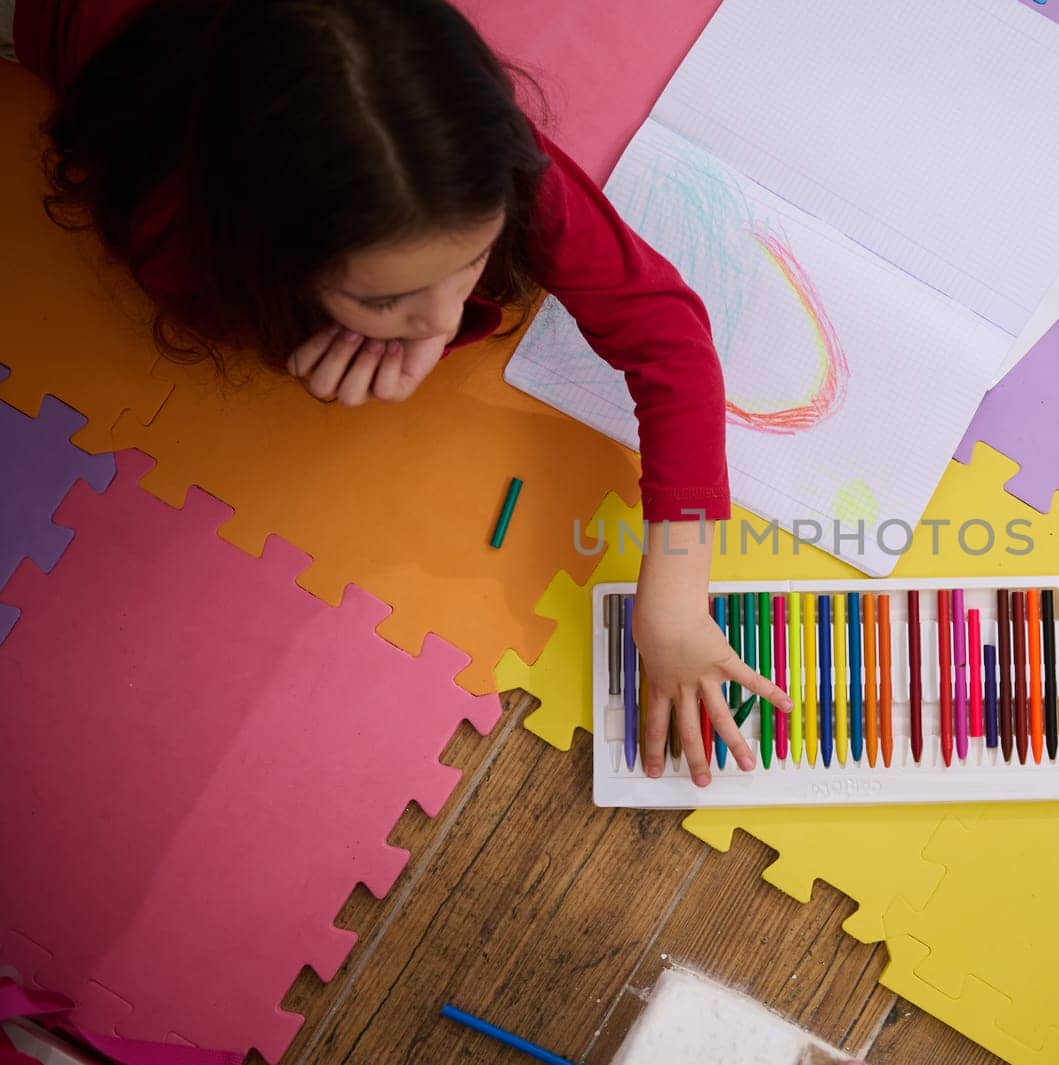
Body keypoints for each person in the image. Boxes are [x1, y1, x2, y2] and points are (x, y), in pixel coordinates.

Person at [4, 0, 789, 786]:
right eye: (385, 302)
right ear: (269, 266)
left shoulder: (464, 161)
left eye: (473, 259)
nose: (444, 317)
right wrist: (300, 349)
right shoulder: (177, 235)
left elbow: (665, 329)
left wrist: (680, 582)